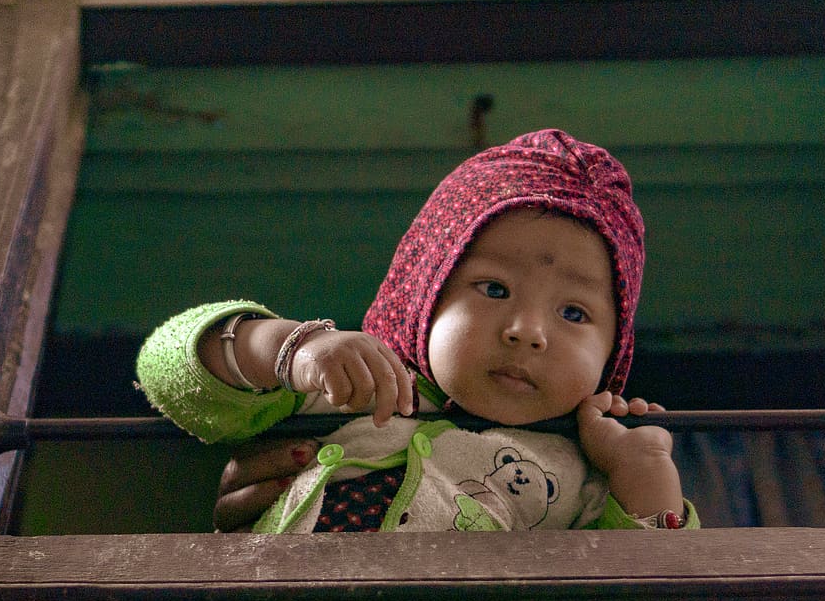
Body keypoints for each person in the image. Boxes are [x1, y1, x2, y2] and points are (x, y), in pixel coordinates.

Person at [137, 129, 696, 534]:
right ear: (420, 295)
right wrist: (293, 349)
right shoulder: (349, 383)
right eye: (495, 290)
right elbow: (165, 372)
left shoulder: (589, 475)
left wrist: (642, 471)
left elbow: (662, 599)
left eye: (574, 314)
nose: (528, 333)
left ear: (613, 353)